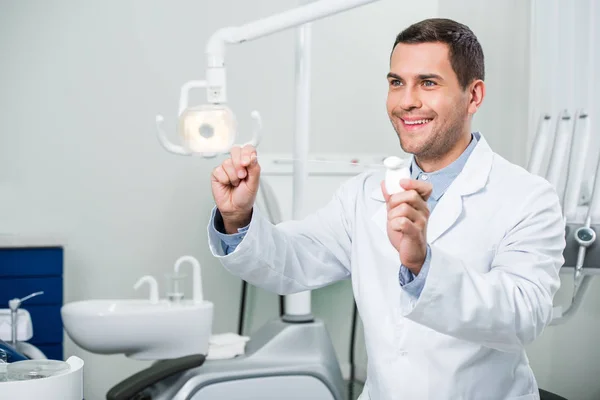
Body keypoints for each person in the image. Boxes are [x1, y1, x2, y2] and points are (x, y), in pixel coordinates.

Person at [207, 18, 566, 400]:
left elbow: (522, 317)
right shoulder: (364, 194)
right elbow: (292, 262)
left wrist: (422, 266)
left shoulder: (527, 197)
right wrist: (237, 217)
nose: (406, 100)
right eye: (397, 82)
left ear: (473, 96)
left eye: (428, 82)